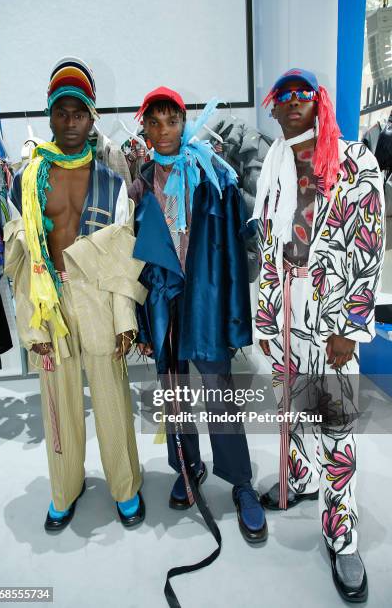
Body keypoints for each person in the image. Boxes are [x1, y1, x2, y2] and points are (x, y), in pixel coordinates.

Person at [251, 68, 385, 602]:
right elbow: (266, 244)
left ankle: (343, 533)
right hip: (285, 307)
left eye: (300, 95)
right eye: (280, 98)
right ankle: (302, 480)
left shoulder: (354, 161)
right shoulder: (275, 165)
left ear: (319, 101)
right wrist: (265, 316)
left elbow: (368, 245)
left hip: (329, 314)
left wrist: (349, 326)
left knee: (336, 423)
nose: (289, 105)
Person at [5, 57, 147, 532]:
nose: (70, 121)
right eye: (61, 112)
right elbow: (22, 260)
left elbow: (124, 254)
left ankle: (125, 488)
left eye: (79, 112)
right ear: (50, 116)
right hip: (49, 301)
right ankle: (64, 490)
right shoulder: (28, 179)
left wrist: (125, 318)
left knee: (111, 399)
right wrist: (30, 325)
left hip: (98, 295)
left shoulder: (111, 180)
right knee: (58, 403)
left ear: (92, 117)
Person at [129, 86, 267, 543]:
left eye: (171, 120)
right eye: (155, 121)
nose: (164, 130)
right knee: (175, 395)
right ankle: (188, 469)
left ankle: (241, 482)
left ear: (184, 123)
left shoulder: (213, 175)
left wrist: (232, 318)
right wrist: (143, 322)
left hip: (206, 302)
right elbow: (135, 263)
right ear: (144, 127)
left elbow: (229, 254)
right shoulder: (140, 184)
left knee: (220, 394)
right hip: (165, 305)